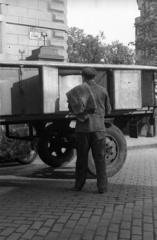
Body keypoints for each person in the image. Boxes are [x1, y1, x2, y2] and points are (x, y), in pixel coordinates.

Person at [68, 67, 111, 193]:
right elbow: (108, 110)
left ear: (83, 77)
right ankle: (102, 187)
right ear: (95, 77)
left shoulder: (77, 91)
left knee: (81, 159)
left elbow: (72, 109)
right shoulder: (103, 90)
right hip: (99, 129)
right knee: (100, 158)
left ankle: (78, 185)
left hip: (82, 130)